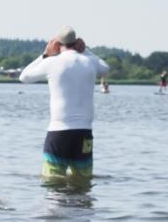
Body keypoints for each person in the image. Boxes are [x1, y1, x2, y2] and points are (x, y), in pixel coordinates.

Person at [18, 25, 110, 181]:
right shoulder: (91, 61)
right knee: (82, 183)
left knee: (53, 183)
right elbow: (106, 68)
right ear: (77, 42)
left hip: (58, 132)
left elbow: (23, 77)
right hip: (84, 133)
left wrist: (45, 55)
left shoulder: (51, 62)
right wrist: (85, 50)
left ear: (56, 43)